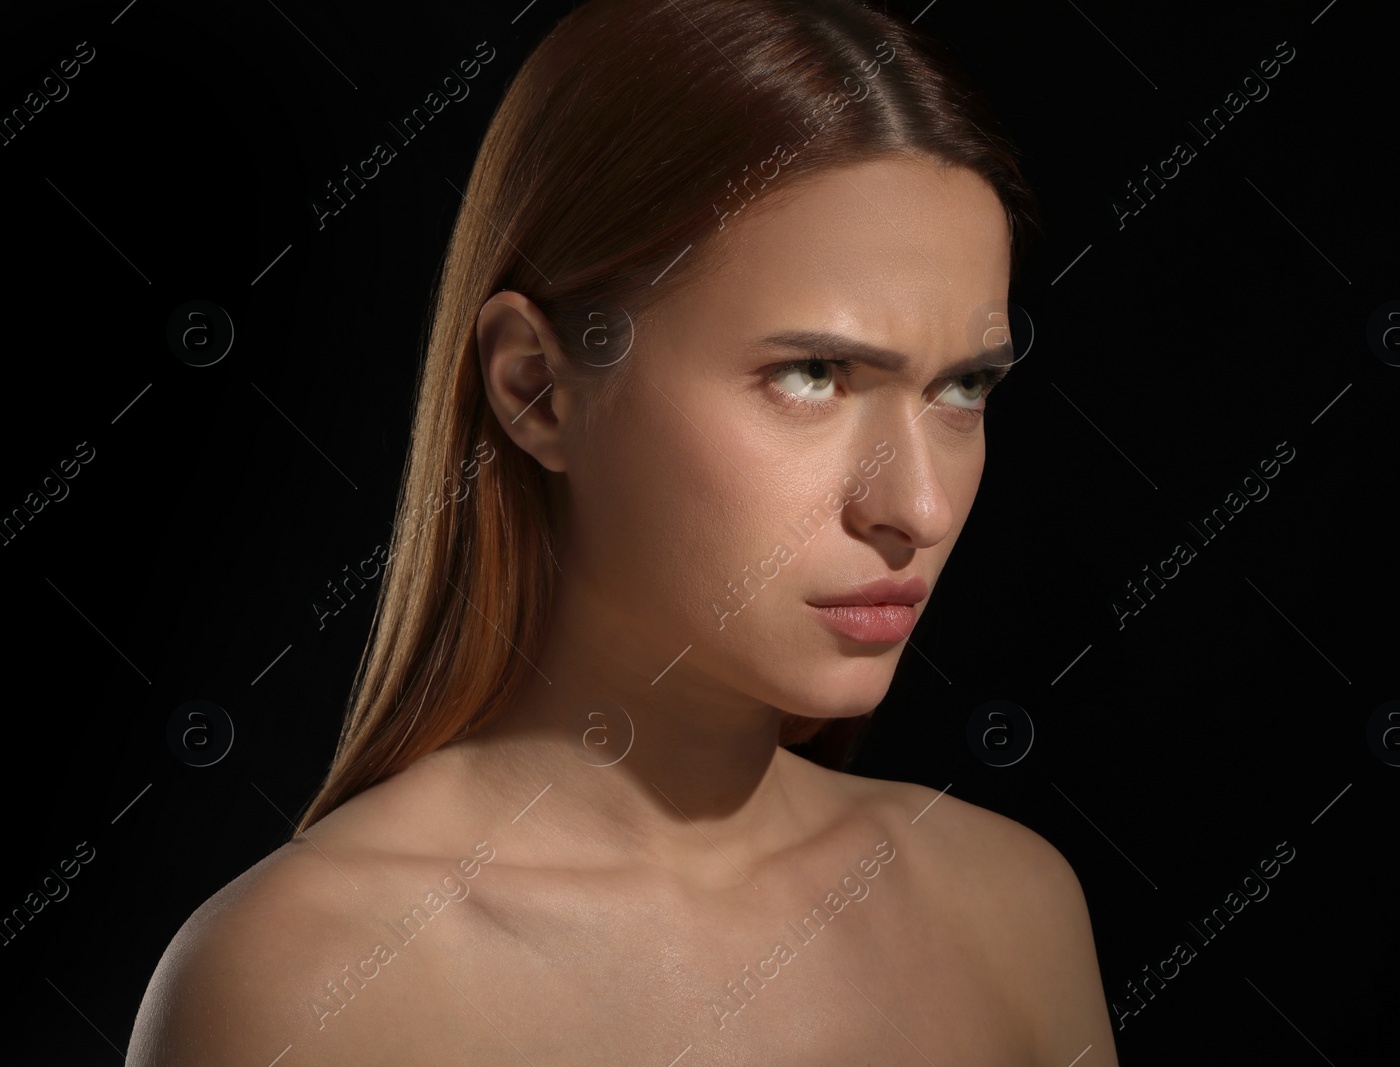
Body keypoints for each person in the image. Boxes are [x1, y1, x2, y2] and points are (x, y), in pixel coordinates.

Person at [127, 0, 1119, 1062]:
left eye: (963, 388)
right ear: (537, 389)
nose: (916, 507)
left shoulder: (1010, 909)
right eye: (812, 375)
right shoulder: (299, 986)